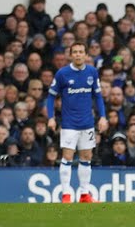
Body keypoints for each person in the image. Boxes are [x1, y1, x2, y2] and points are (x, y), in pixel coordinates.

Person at [46, 41, 107, 203]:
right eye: (75, 52)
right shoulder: (62, 74)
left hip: (87, 123)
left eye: (81, 52)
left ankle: (84, 194)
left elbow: (98, 96)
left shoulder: (92, 72)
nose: (78, 55)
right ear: (70, 55)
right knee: (67, 157)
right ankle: (66, 194)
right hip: (69, 124)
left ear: (86, 55)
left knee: (86, 157)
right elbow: (51, 96)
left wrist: (103, 116)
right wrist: (51, 117)